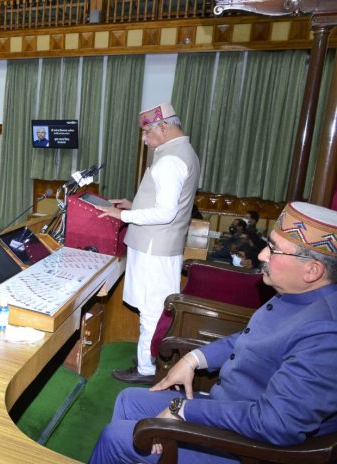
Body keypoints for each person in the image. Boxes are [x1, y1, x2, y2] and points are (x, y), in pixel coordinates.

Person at [90, 201, 337, 464]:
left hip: (248, 447)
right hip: (232, 410)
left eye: (274, 250)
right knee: (128, 399)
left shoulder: (325, 332)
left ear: (312, 270)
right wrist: (193, 358)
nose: (263, 254)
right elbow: (249, 340)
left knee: (115, 437)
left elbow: (275, 424)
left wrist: (184, 409)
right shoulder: (297, 295)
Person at [95, 103, 200, 384]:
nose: (144, 139)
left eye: (147, 132)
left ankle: (146, 368)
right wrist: (134, 204)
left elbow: (166, 212)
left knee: (152, 309)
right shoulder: (180, 152)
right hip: (157, 245)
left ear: (163, 127)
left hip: (156, 248)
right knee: (150, 307)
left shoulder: (170, 160)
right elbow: (168, 201)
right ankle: (148, 357)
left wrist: (123, 214)